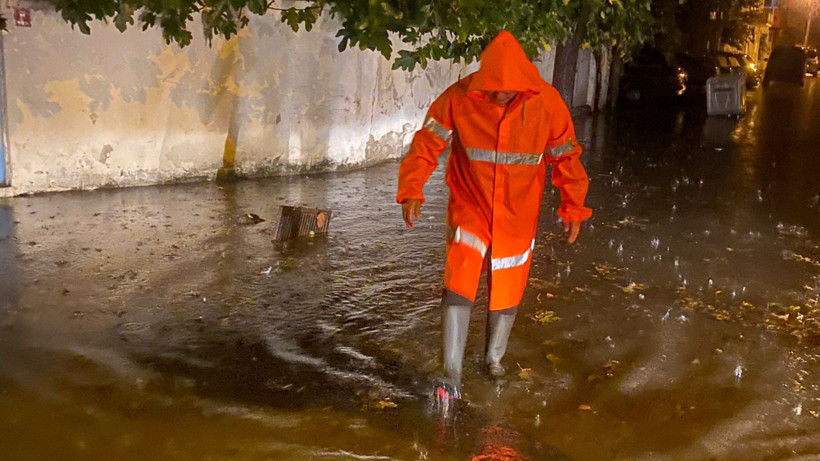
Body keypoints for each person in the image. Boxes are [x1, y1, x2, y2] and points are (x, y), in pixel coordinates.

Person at [396, 31, 592, 399]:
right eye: (494, 89)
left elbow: (566, 156)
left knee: (508, 282)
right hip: (470, 204)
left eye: (507, 90)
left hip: (518, 211)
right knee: (460, 277)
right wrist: (411, 190)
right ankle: (450, 372)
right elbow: (427, 143)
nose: (500, 95)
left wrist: (573, 206)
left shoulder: (547, 104)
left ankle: (493, 361)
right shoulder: (459, 97)